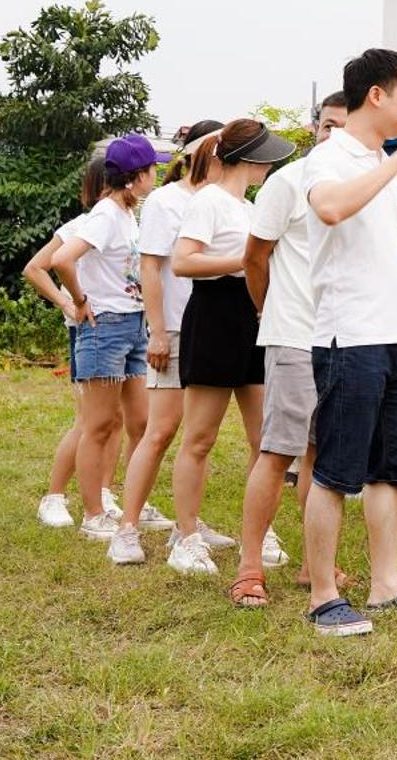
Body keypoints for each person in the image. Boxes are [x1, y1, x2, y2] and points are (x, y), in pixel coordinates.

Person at [301, 48, 397, 636]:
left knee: (391, 471)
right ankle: (323, 596)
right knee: (336, 470)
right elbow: (333, 208)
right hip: (348, 337)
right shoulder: (331, 158)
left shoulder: (378, 166)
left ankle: (387, 585)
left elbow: (396, 258)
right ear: (377, 95)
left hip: (394, 338)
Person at [148, 118, 296, 576]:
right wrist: (246, 260)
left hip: (253, 317)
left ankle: (261, 531)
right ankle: (186, 536)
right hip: (213, 315)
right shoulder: (209, 201)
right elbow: (184, 262)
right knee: (200, 436)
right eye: (267, 157)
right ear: (249, 159)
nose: (271, 165)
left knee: (263, 440)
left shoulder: (248, 207)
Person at [231, 93, 346, 608]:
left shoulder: (365, 187)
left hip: (345, 338)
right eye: (327, 126)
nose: (333, 136)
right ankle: (249, 566)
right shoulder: (287, 181)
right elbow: (255, 256)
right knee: (278, 451)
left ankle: (312, 564)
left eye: (344, 128)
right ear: (312, 128)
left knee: (322, 457)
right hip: (293, 333)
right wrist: (267, 310)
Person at [108, 120, 224, 560]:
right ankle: (127, 528)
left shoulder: (222, 200)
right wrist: (156, 330)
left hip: (211, 329)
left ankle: (187, 525)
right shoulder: (165, 201)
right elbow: (151, 268)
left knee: (201, 434)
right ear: (205, 153)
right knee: (160, 430)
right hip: (174, 327)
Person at [50, 133, 174, 542]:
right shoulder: (105, 214)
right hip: (106, 330)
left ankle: (135, 502)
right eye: (152, 169)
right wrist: (80, 301)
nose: (156, 174)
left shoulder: (127, 213)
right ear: (135, 176)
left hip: (133, 326)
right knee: (99, 425)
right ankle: (93, 513)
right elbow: (61, 259)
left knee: (140, 423)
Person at [22, 155, 123, 528]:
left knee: (117, 419)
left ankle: (103, 492)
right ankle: (54, 496)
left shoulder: (124, 223)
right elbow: (35, 267)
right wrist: (68, 301)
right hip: (87, 330)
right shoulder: (81, 225)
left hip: (120, 329)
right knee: (89, 420)